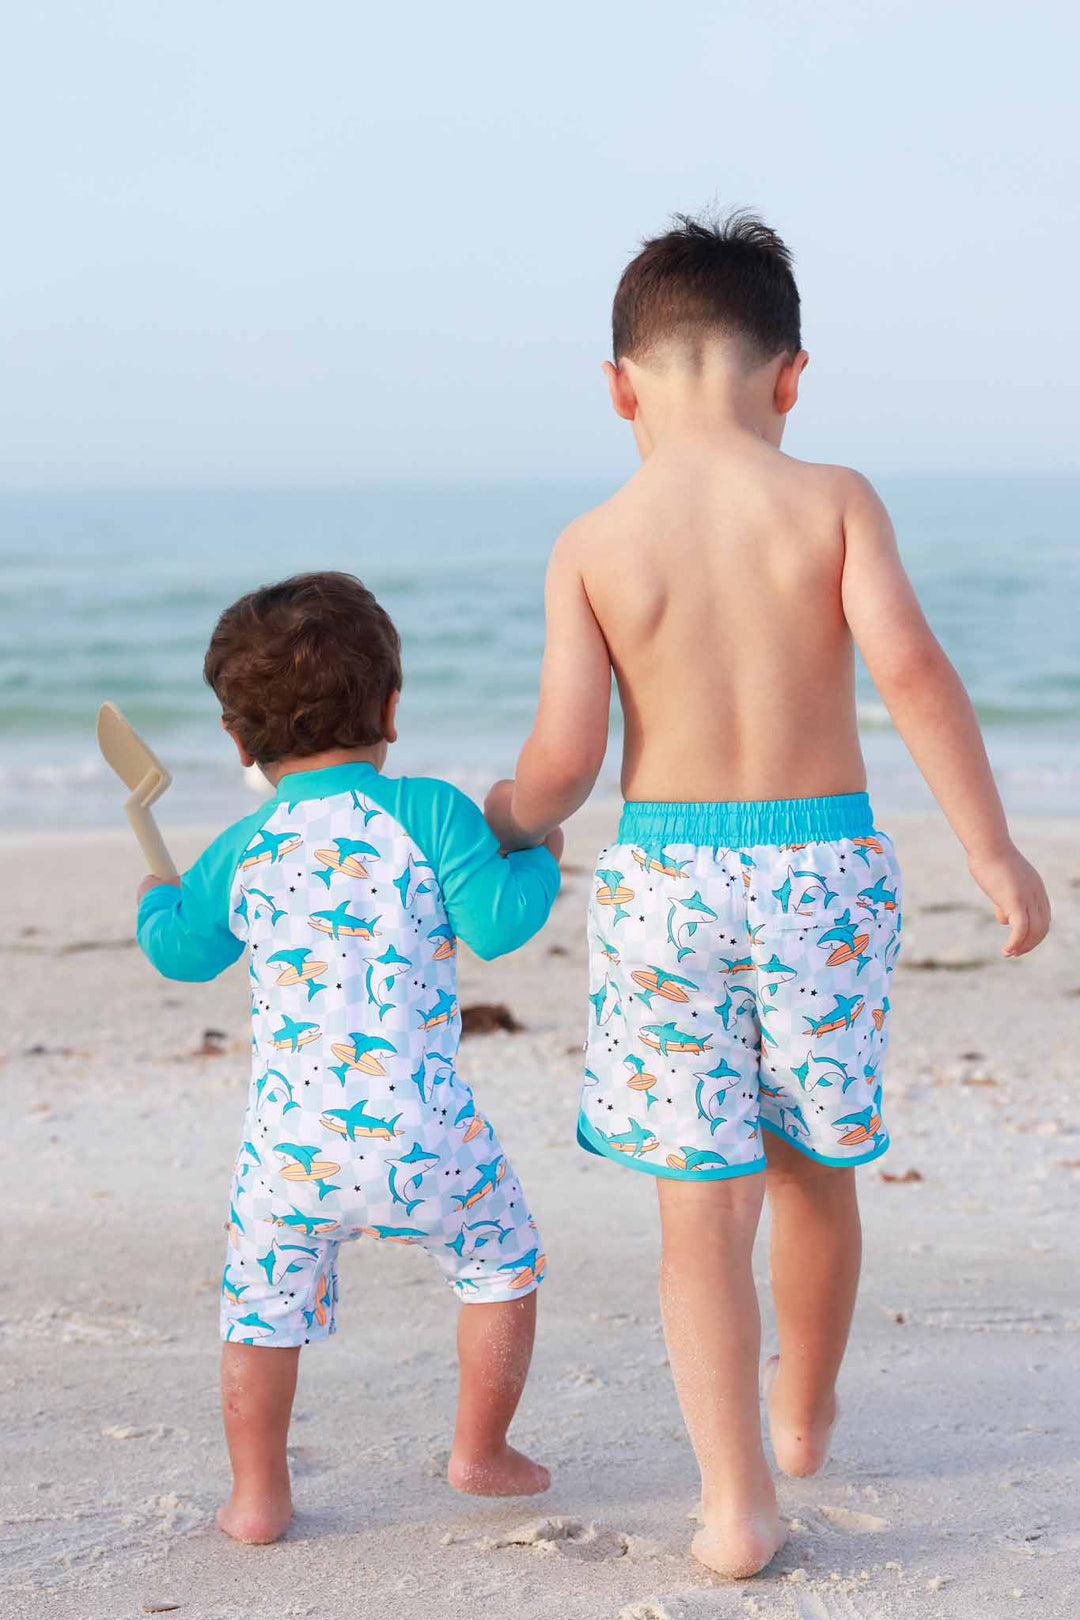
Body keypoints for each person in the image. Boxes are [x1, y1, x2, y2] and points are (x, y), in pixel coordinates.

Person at [484, 213, 1050, 1579]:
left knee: (702, 1199)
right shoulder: (834, 499)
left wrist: (485, 826)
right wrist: (991, 849)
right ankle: (803, 1411)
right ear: (792, 377)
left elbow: (563, 765)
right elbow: (912, 674)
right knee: (812, 1168)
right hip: (826, 876)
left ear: (620, 387)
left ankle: (735, 1503)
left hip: (668, 878)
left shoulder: (594, 540)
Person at [137, 571, 561, 1543]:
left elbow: (180, 950)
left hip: (289, 1153)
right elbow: (496, 927)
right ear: (393, 710)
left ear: (239, 742)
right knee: (501, 1265)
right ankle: (481, 1452)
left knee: (260, 1314)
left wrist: (155, 899)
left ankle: (256, 1496)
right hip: (424, 1132)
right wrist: (539, 853)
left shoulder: (245, 848)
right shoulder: (429, 812)